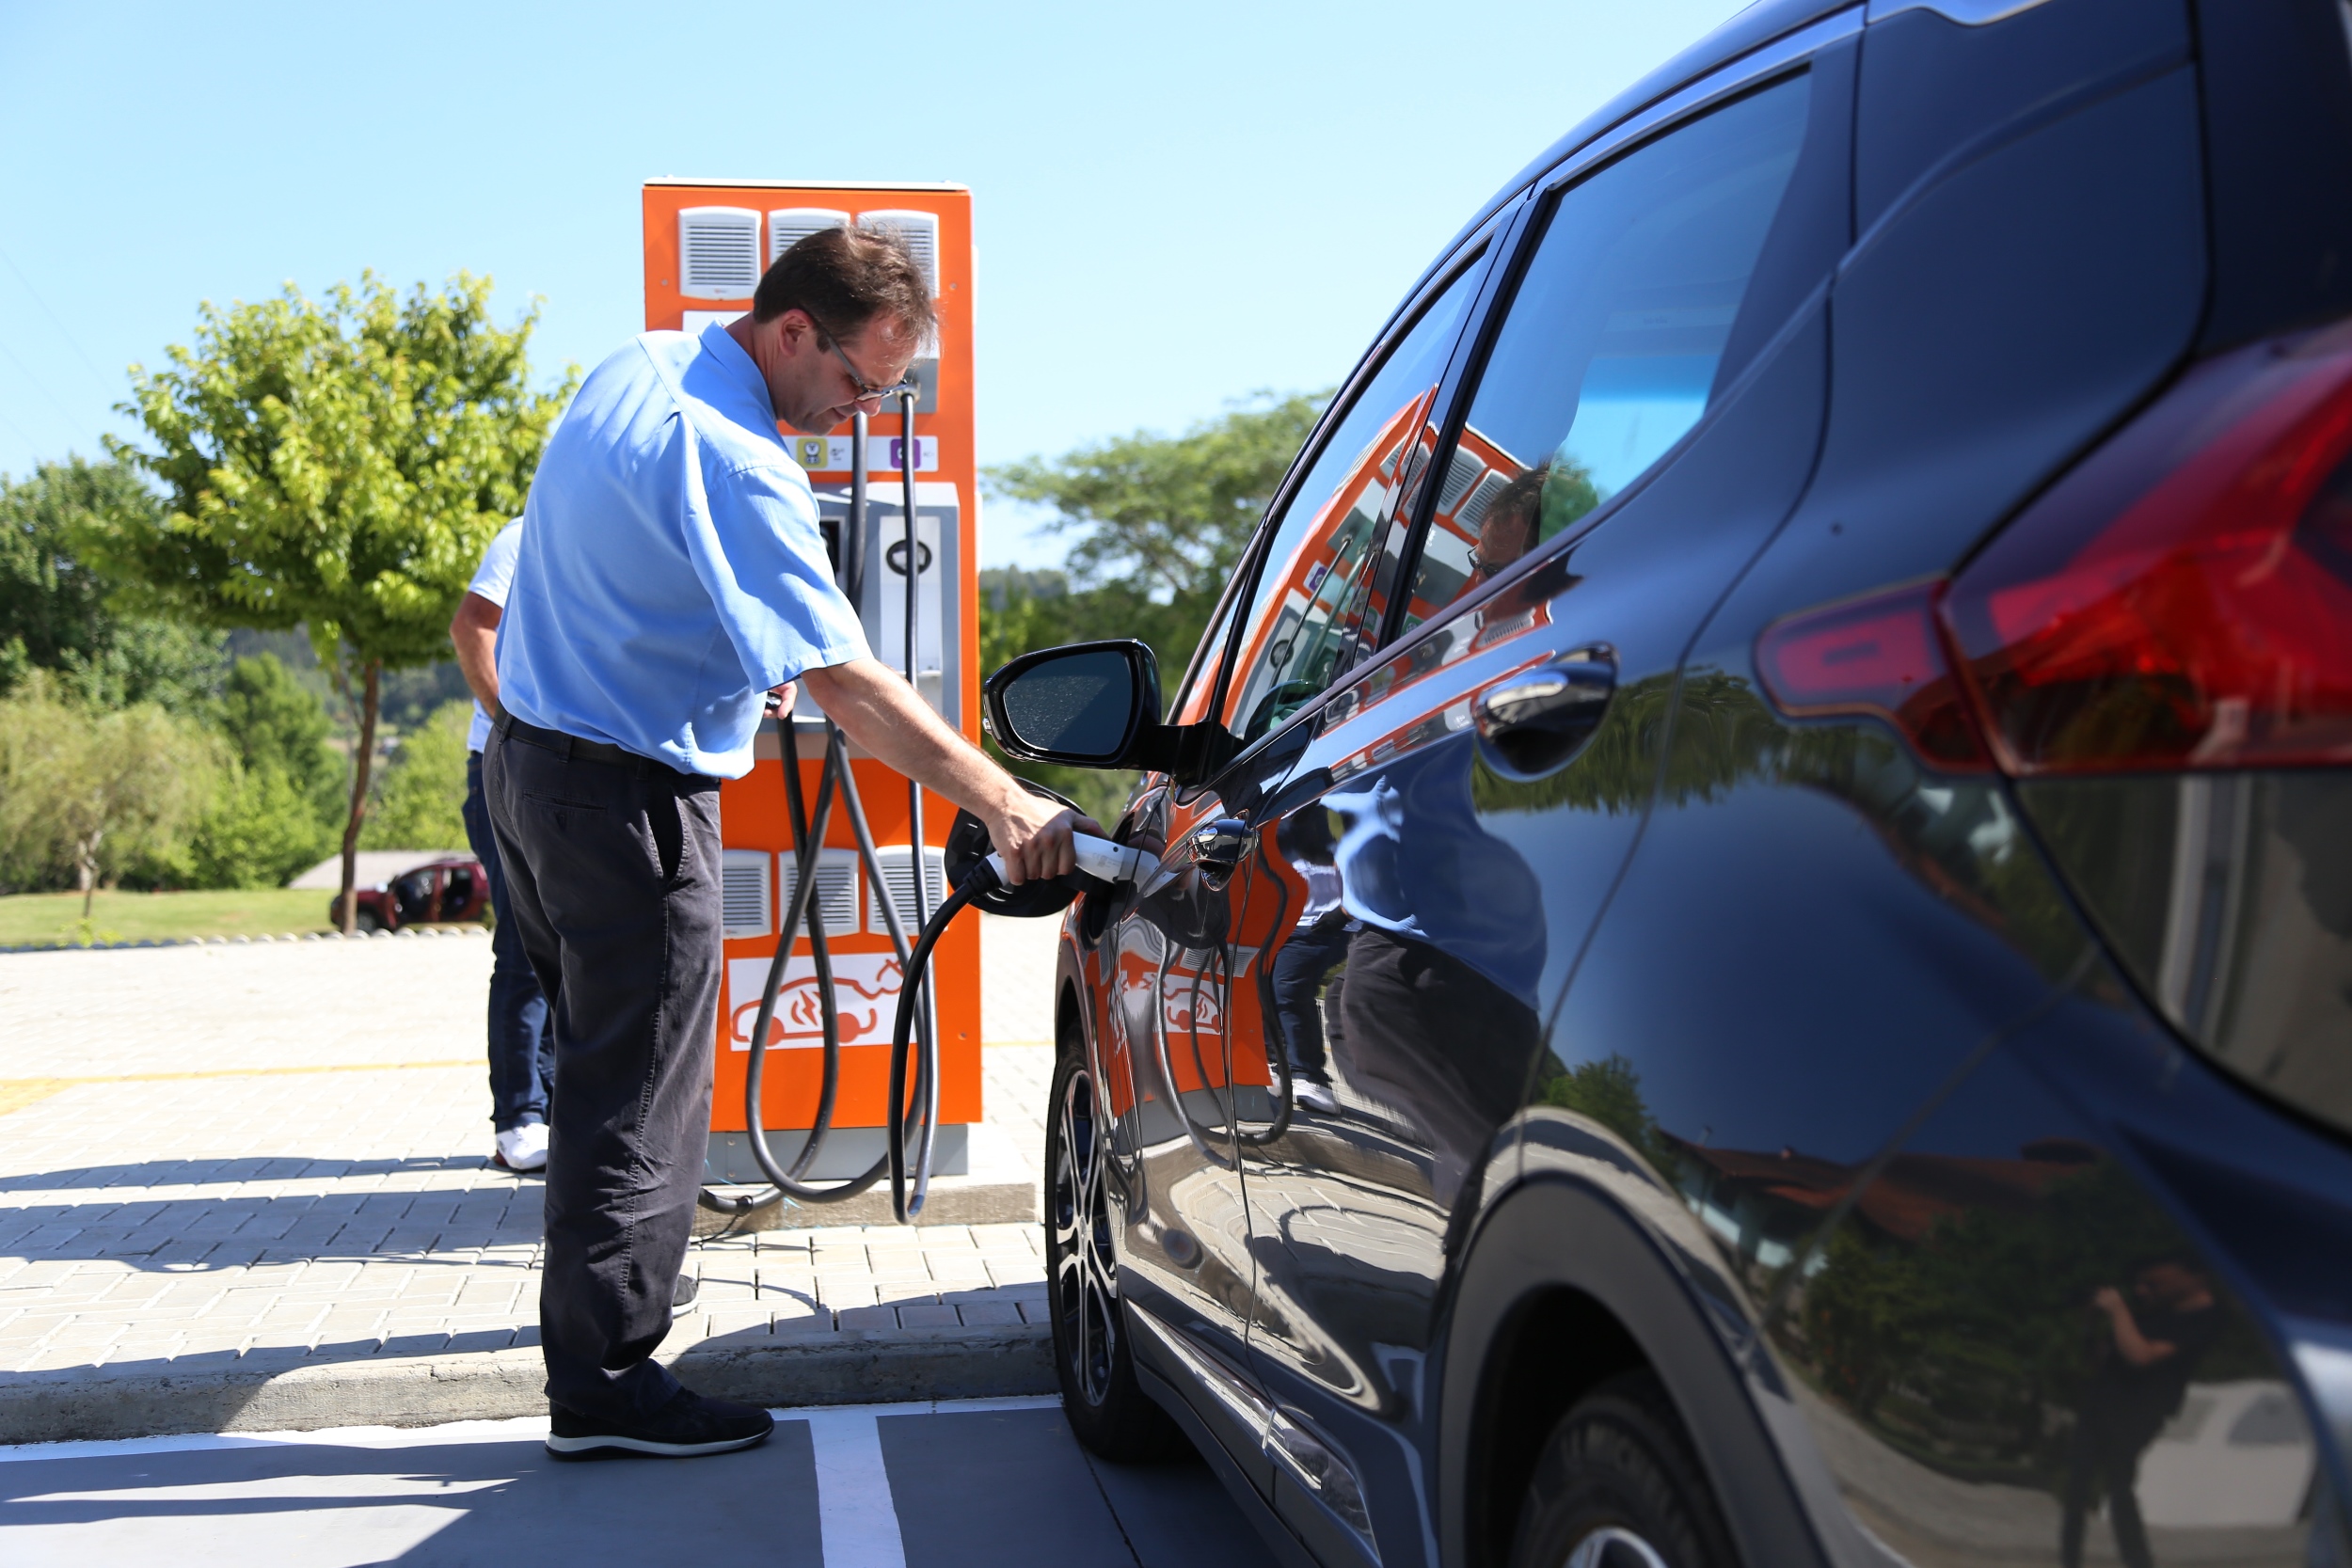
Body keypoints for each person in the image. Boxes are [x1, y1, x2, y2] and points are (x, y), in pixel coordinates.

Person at [485, 223, 1089, 1462]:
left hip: (531, 770)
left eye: (889, 393)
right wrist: (1007, 802)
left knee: (604, 1079)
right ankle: (603, 1380)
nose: (862, 414)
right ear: (792, 328)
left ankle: (604, 1310)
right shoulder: (743, 461)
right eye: (857, 382)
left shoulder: (645, 362)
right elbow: (855, 687)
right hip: (627, 802)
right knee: (642, 1097)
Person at [450, 517, 557, 1174]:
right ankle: (519, 1117)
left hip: (569, 763)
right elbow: (472, 627)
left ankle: (552, 1109)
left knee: (567, 943)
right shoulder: (526, 535)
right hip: (508, 760)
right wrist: (510, 721)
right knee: (525, 938)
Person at [2059, 1259, 2223, 1568]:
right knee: (2076, 1490)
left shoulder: (2205, 1317)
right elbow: (2097, 1361)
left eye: (2152, 1284)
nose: (2143, 1291)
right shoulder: (2148, 1314)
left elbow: (2141, 1356)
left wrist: (2118, 1311)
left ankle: (2138, 1562)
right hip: (2100, 1404)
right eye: (2141, 1284)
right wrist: (2091, 1324)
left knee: (2119, 1487)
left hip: (2139, 1410)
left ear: (2194, 1277)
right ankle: (2069, 1561)